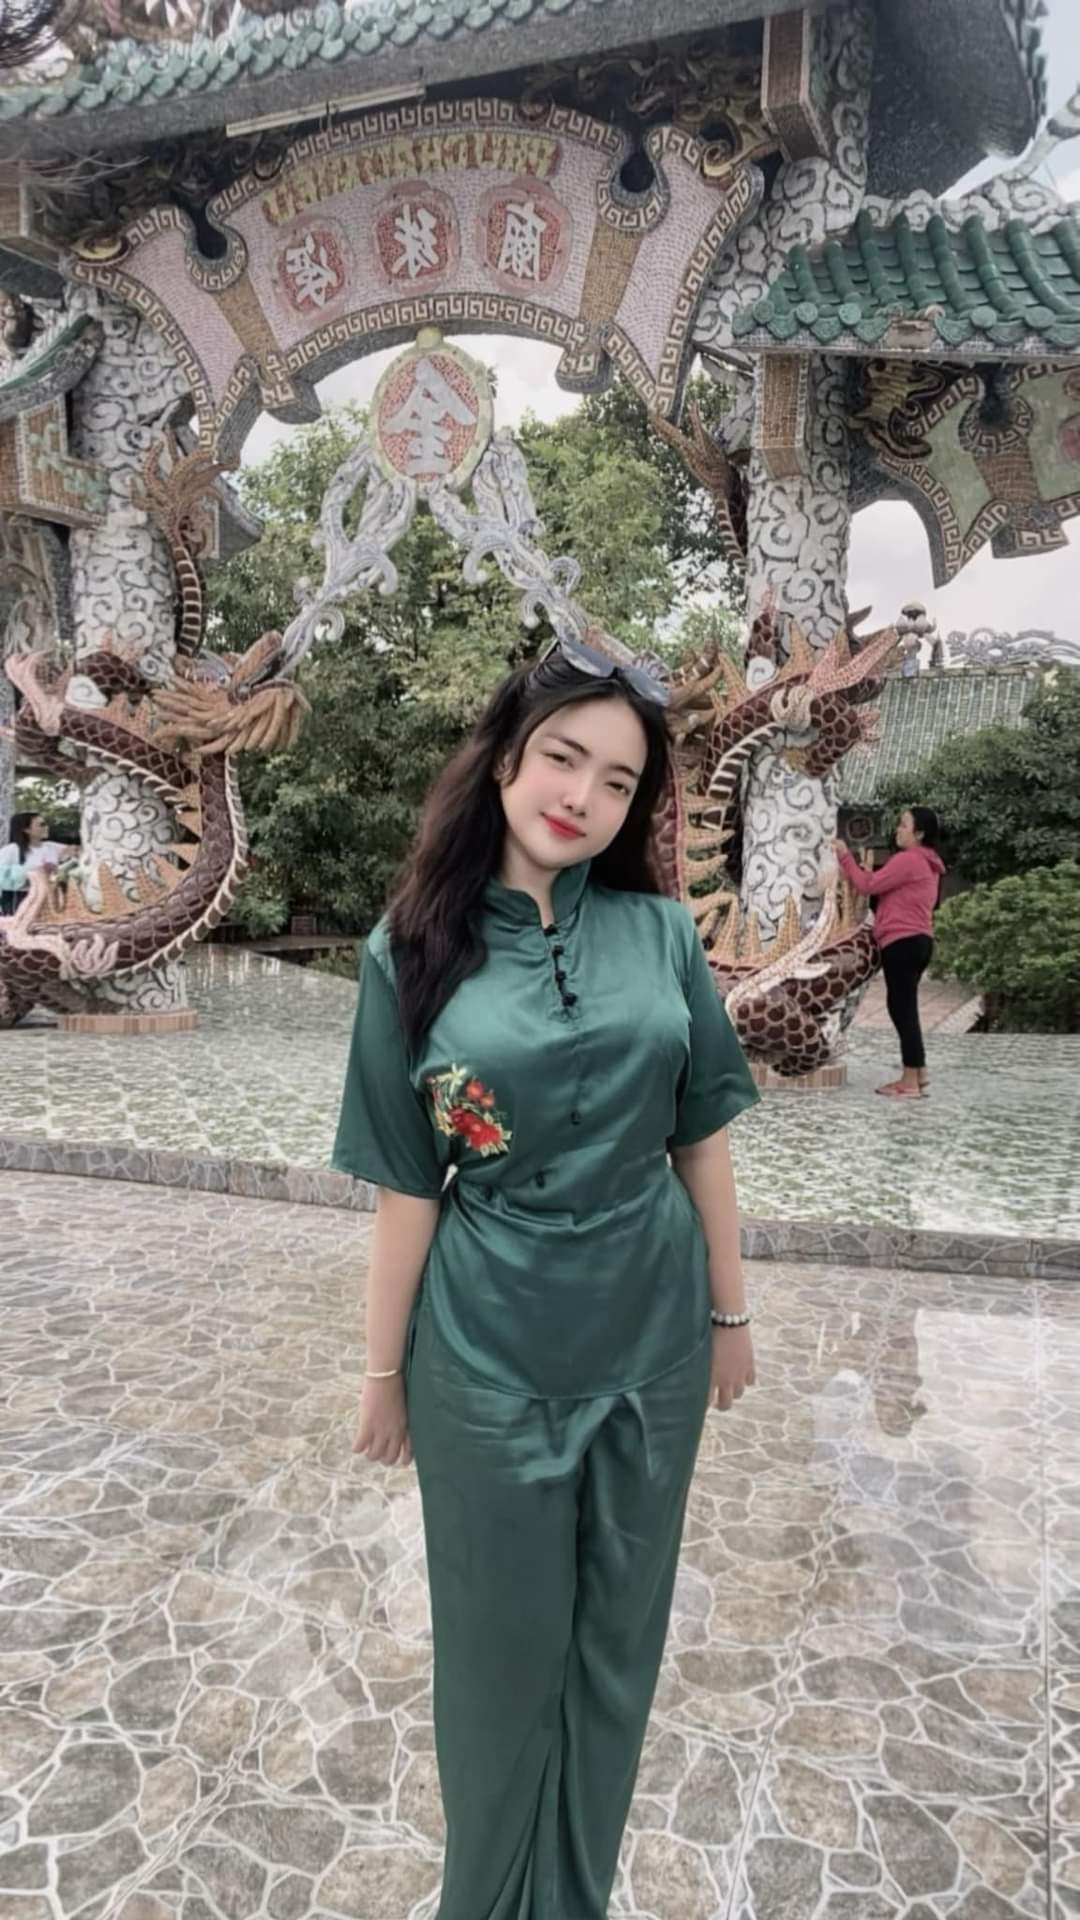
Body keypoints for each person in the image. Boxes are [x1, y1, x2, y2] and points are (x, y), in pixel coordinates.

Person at [332, 637, 761, 1920]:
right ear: (506, 758)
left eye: (619, 782)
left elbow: (701, 1136)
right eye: (565, 758)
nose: (583, 795)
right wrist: (383, 1372)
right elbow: (409, 1186)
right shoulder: (408, 951)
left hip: (652, 1343)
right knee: (496, 1661)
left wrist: (730, 1312)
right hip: (486, 1356)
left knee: (616, 1651)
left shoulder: (662, 935)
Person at [832, 805, 946, 1100]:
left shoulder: (909, 860)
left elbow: (867, 885)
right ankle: (919, 1073)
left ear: (919, 834)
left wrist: (844, 855)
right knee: (905, 1008)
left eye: (904, 825)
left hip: (903, 942)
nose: (898, 829)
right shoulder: (929, 863)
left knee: (902, 1010)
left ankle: (909, 1081)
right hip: (919, 941)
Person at [0, 811, 57, 915]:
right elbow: (2, 877)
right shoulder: (11, 850)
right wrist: (32, 872)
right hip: (20, 903)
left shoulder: (50, 849)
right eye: (41, 825)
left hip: (48, 902)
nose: (46, 827)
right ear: (26, 830)